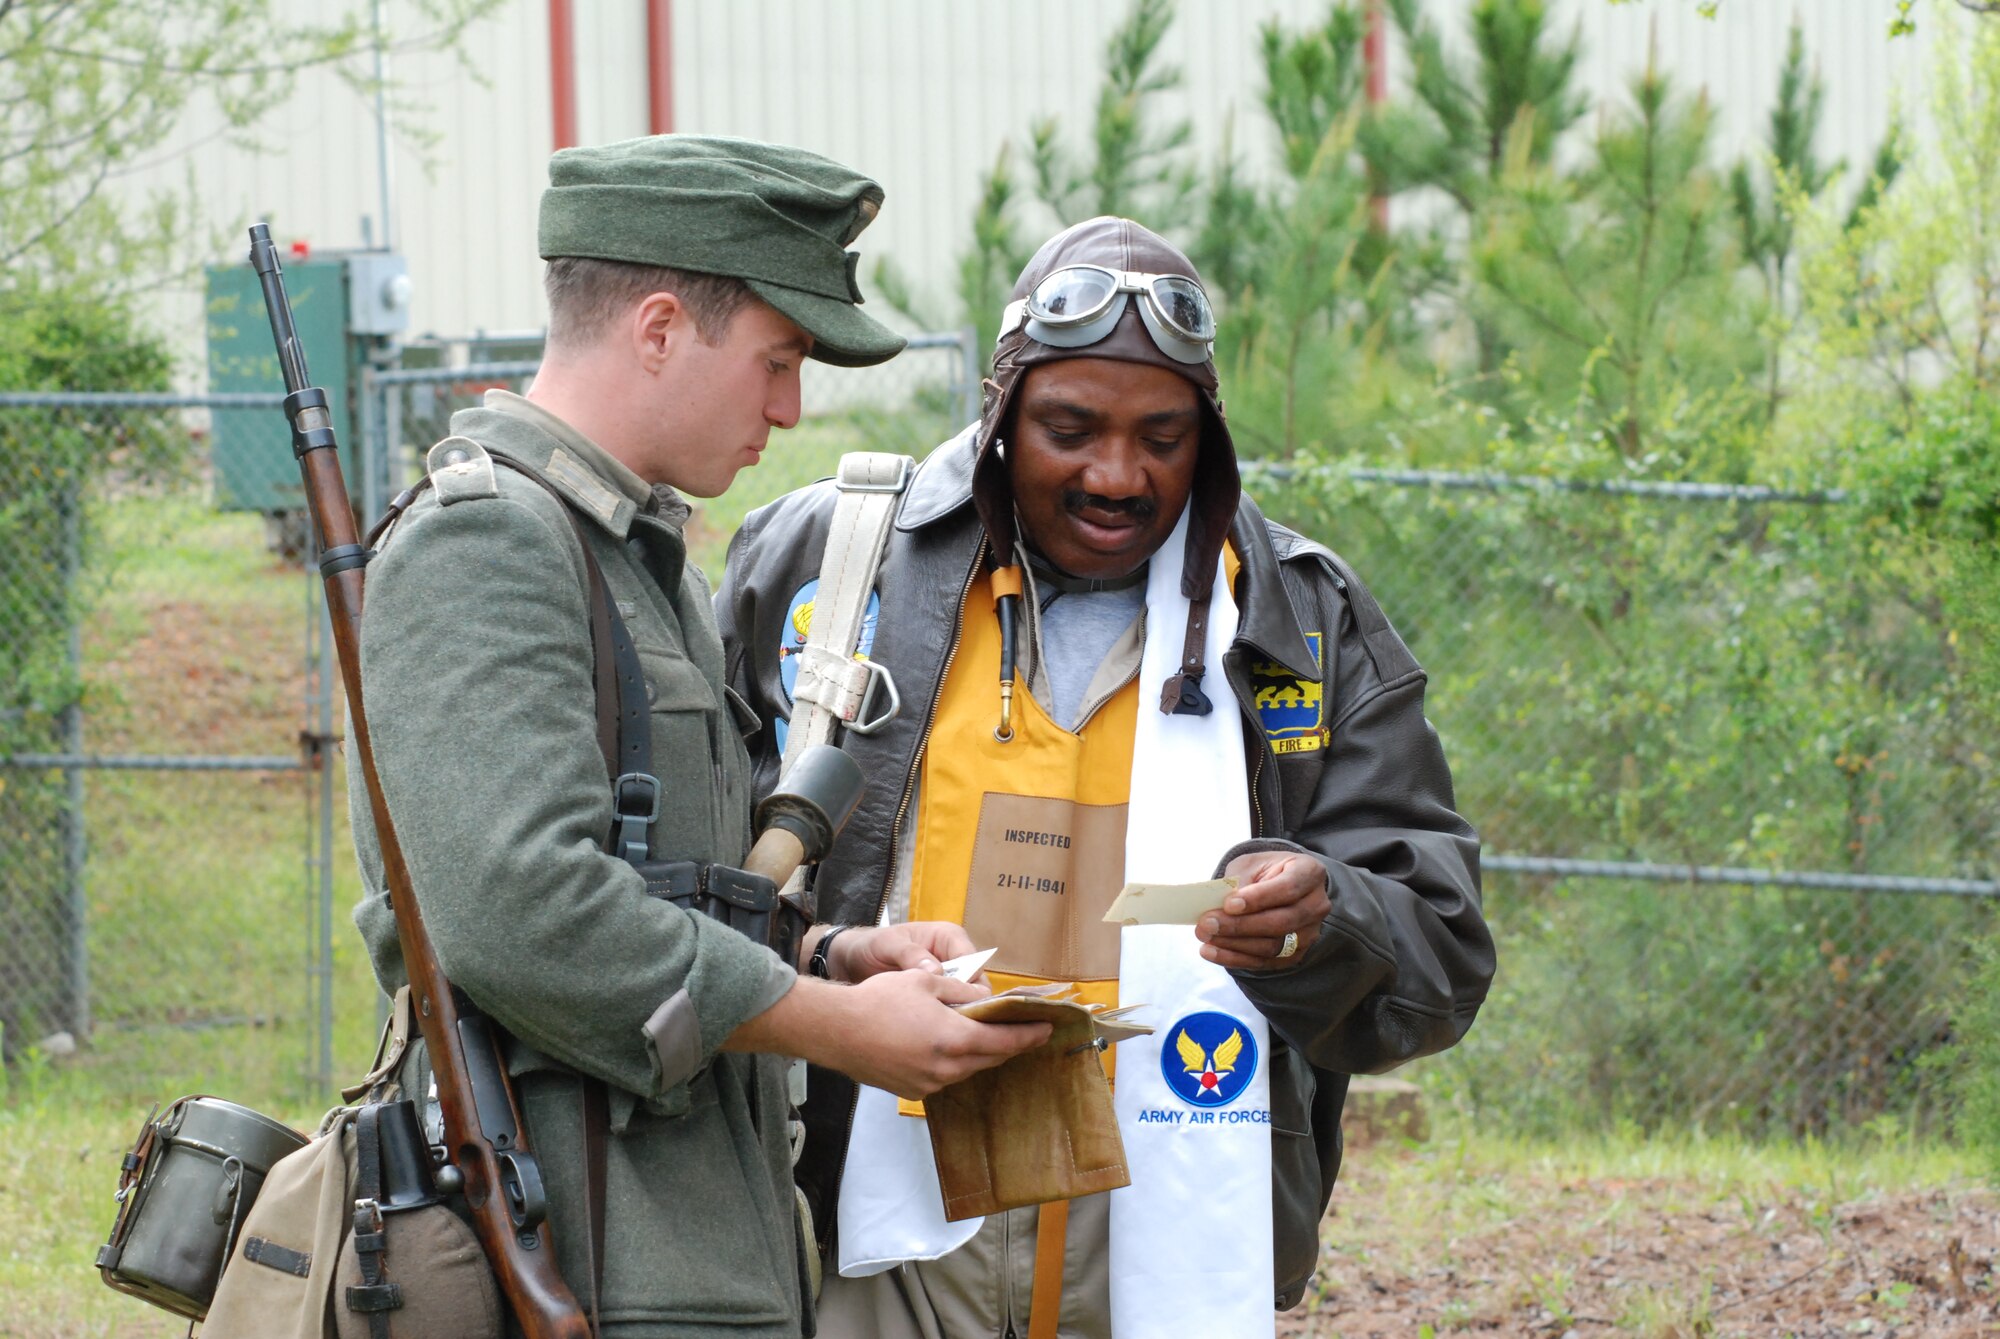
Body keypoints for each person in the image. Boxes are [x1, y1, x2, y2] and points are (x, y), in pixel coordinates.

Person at [715, 216, 1495, 1339]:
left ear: (1208, 442)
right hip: (867, 1207)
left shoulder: (1297, 625)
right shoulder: (825, 570)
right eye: (1068, 429)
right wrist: (827, 965)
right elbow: (693, 886)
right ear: (998, 418)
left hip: (1167, 1193)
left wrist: (1326, 921)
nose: (1115, 475)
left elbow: (1441, 957)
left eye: (1161, 437)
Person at [348, 135, 1048, 1339]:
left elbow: (669, 883)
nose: (787, 406)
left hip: (683, 1251)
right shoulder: (491, 544)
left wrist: (828, 955)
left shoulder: (632, 557)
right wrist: (830, 1027)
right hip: (585, 1254)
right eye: (776, 361)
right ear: (661, 327)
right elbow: (524, 906)